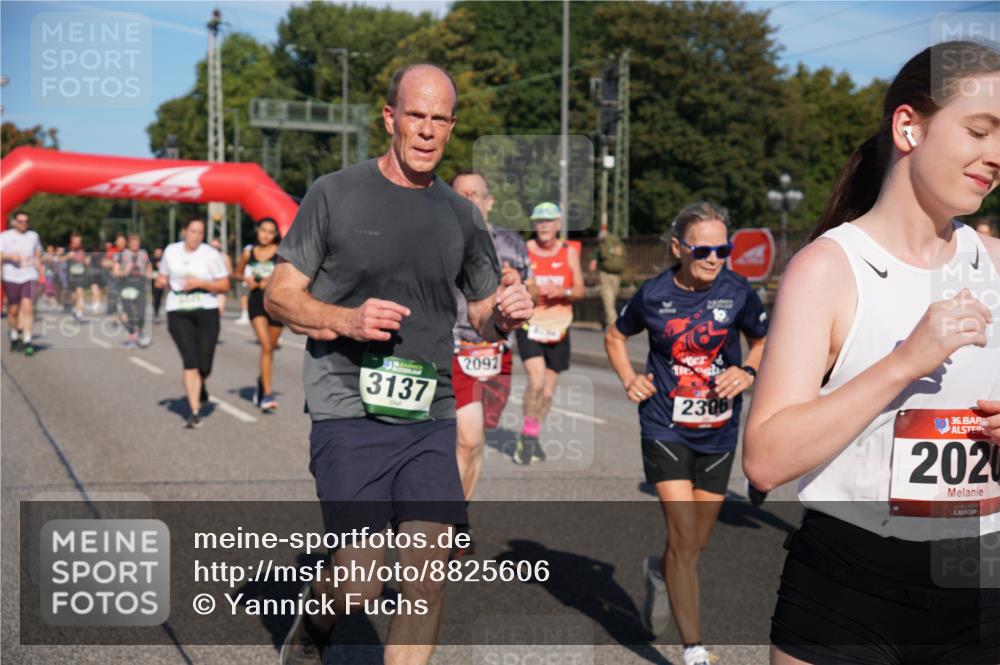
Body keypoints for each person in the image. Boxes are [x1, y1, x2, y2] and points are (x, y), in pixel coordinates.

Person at [266, 63, 533, 665]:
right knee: (359, 581)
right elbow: (278, 296)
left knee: (426, 576)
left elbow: (483, 311)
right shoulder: (334, 194)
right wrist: (347, 320)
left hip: (428, 413)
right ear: (390, 118)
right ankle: (316, 623)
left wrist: (505, 315)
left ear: (452, 126)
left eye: (440, 119)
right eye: (416, 115)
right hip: (347, 407)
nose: (427, 130)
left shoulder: (463, 216)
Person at [743, 41, 1000, 665]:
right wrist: (904, 363)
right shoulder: (829, 268)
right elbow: (766, 460)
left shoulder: (994, 262)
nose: (996, 156)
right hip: (848, 590)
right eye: (979, 131)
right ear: (909, 126)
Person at [605, 201, 767, 665]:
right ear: (678, 248)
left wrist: (748, 371)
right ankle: (694, 649)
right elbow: (615, 336)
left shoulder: (738, 291)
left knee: (694, 544)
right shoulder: (654, 294)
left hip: (719, 431)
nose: (714, 259)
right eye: (703, 250)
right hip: (665, 425)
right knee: (683, 534)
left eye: (723, 250)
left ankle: (660, 572)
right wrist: (629, 379)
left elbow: (761, 340)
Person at [450, 170, 536, 554]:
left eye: (475, 194)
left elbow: (529, 294)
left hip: (495, 353)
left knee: (475, 441)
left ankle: (459, 514)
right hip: (451, 347)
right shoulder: (436, 237)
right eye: (461, 195)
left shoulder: (511, 243)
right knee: (466, 438)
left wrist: (517, 286)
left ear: (489, 201)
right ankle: (450, 520)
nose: (469, 201)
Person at [513, 202, 585, 465]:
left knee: (547, 391)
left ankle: (530, 436)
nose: (544, 226)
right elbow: (511, 284)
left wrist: (562, 292)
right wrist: (528, 290)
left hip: (559, 327)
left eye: (549, 221)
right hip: (530, 325)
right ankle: (527, 439)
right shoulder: (523, 250)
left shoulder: (569, 252)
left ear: (558, 224)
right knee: (537, 381)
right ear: (534, 224)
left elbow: (580, 290)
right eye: (539, 221)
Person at [155, 219, 231, 428]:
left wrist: (201, 283)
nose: (196, 236)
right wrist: (160, 282)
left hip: (206, 308)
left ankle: (201, 383)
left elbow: (225, 285)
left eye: (200, 233)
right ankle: (194, 411)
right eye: (192, 231)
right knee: (190, 360)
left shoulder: (211, 254)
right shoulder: (171, 251)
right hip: (178, 310)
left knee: (204, 363)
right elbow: (162, 276)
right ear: (184, 231)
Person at [235, 218, 283, 412]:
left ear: (275, 235)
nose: (266, 235)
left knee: (270, 348)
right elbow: (237, 274)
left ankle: (262, 382)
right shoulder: (249, 252)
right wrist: (246, 279)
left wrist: (271, 279)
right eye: (263, 230)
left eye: (270, 232)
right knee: (265, 345)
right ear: (257, 231)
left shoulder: (282, 252)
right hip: (256, 301)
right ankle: (268, 394)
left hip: (276, 303)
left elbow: (289, 275)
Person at [1, 211, 43, 355]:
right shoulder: (5, 236)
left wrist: (38, 261)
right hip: (11, 276)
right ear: (14, 222)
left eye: (26, 221)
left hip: (29, 275)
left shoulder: (33, 236)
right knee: (13, 310)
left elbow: (38, 251)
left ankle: (27, 340)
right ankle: (14, 336)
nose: (24, 224)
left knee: (27, 307)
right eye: (20, 221)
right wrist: (10, 256)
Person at [114, 234, 152, 348]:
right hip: (126, 287)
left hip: (140, 287)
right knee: (129, 314)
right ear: (129, 243)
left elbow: (149, 267)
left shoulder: (143, 254)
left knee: (141, 314)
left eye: (137, 243)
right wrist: (125, 272)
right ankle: (132, 336)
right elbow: (115, 272)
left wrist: (149, 274)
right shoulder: (122, 255)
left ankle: (140, 332)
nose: (135, 245)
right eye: (133, 243)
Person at [588, 228, 627, 328]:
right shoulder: (618, 244)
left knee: (608, 300)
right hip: (617, 275)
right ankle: (605, 320)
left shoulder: (600, 246)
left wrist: (590, 276)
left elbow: (592, 265)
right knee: (610, 300)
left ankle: (613, 324)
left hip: (605, 274)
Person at [64, 233, 91, 322]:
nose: (77, 242)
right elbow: (60, 259)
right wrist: (67, 256)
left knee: (80, 293)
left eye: (79, 240)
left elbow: (87, 259)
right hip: (70, 276)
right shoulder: (67, 249)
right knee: (74, 296)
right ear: (72, 240)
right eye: (76, 240)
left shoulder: (83, 249)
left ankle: (79, 314)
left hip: (81, 275)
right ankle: (74, 309)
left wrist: (87, 261)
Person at [104, 234, 126, 318]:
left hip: (125, 278)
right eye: (120, 240)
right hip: (113, 279)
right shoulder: (112, 250)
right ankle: (114, 317)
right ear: (116, 242)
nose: (121, 242)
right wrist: (114, 264)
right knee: (113, 298)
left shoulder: (127, 251)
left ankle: (125, 316)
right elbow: (105, 262)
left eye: (123, 241)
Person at [208, 237, 232, 316]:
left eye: (216, 247)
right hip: (207, 287)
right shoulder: (205, 257)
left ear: (220, 247)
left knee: (219, 310)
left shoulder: (224, 257)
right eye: (212, 246)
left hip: (220, 288)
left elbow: (230, 272)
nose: (214, 249)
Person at [150, 247, 165, 323]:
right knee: (155, 297)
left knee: (159, 298)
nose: (158, 253)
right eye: (157, 252)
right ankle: (155, 313)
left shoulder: (164, 260)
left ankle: (157, 312)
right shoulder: (151, 259)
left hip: (162, 281)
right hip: (153, 281)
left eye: (160, 252)